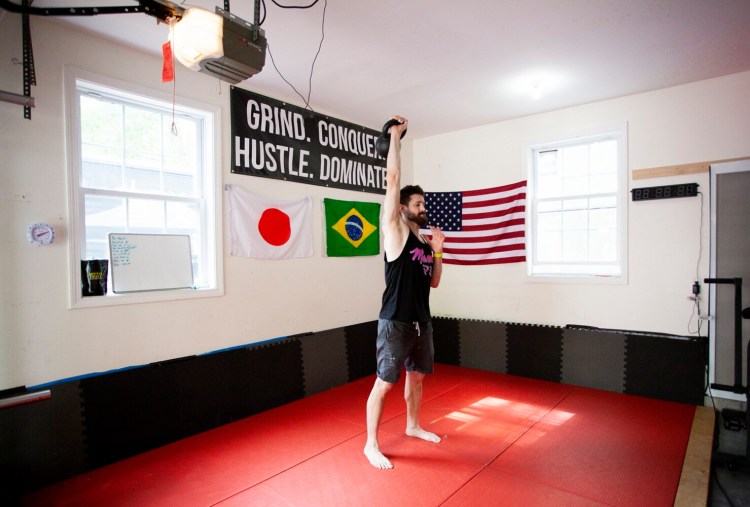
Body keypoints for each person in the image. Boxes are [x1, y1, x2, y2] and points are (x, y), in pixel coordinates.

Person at [364, 115, 445, 470]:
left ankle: (412, 426)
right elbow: (393, 179)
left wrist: (439, 250)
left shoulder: (425, 242)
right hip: (395, 322)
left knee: (417, 379)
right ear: (402, 208)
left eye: (423, 204)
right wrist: (395, 137)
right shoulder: (395, 230)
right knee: (384, 385)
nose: (422, 208)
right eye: (417, 204)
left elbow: (435, 282)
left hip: (421, 323)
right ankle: (370, 444)